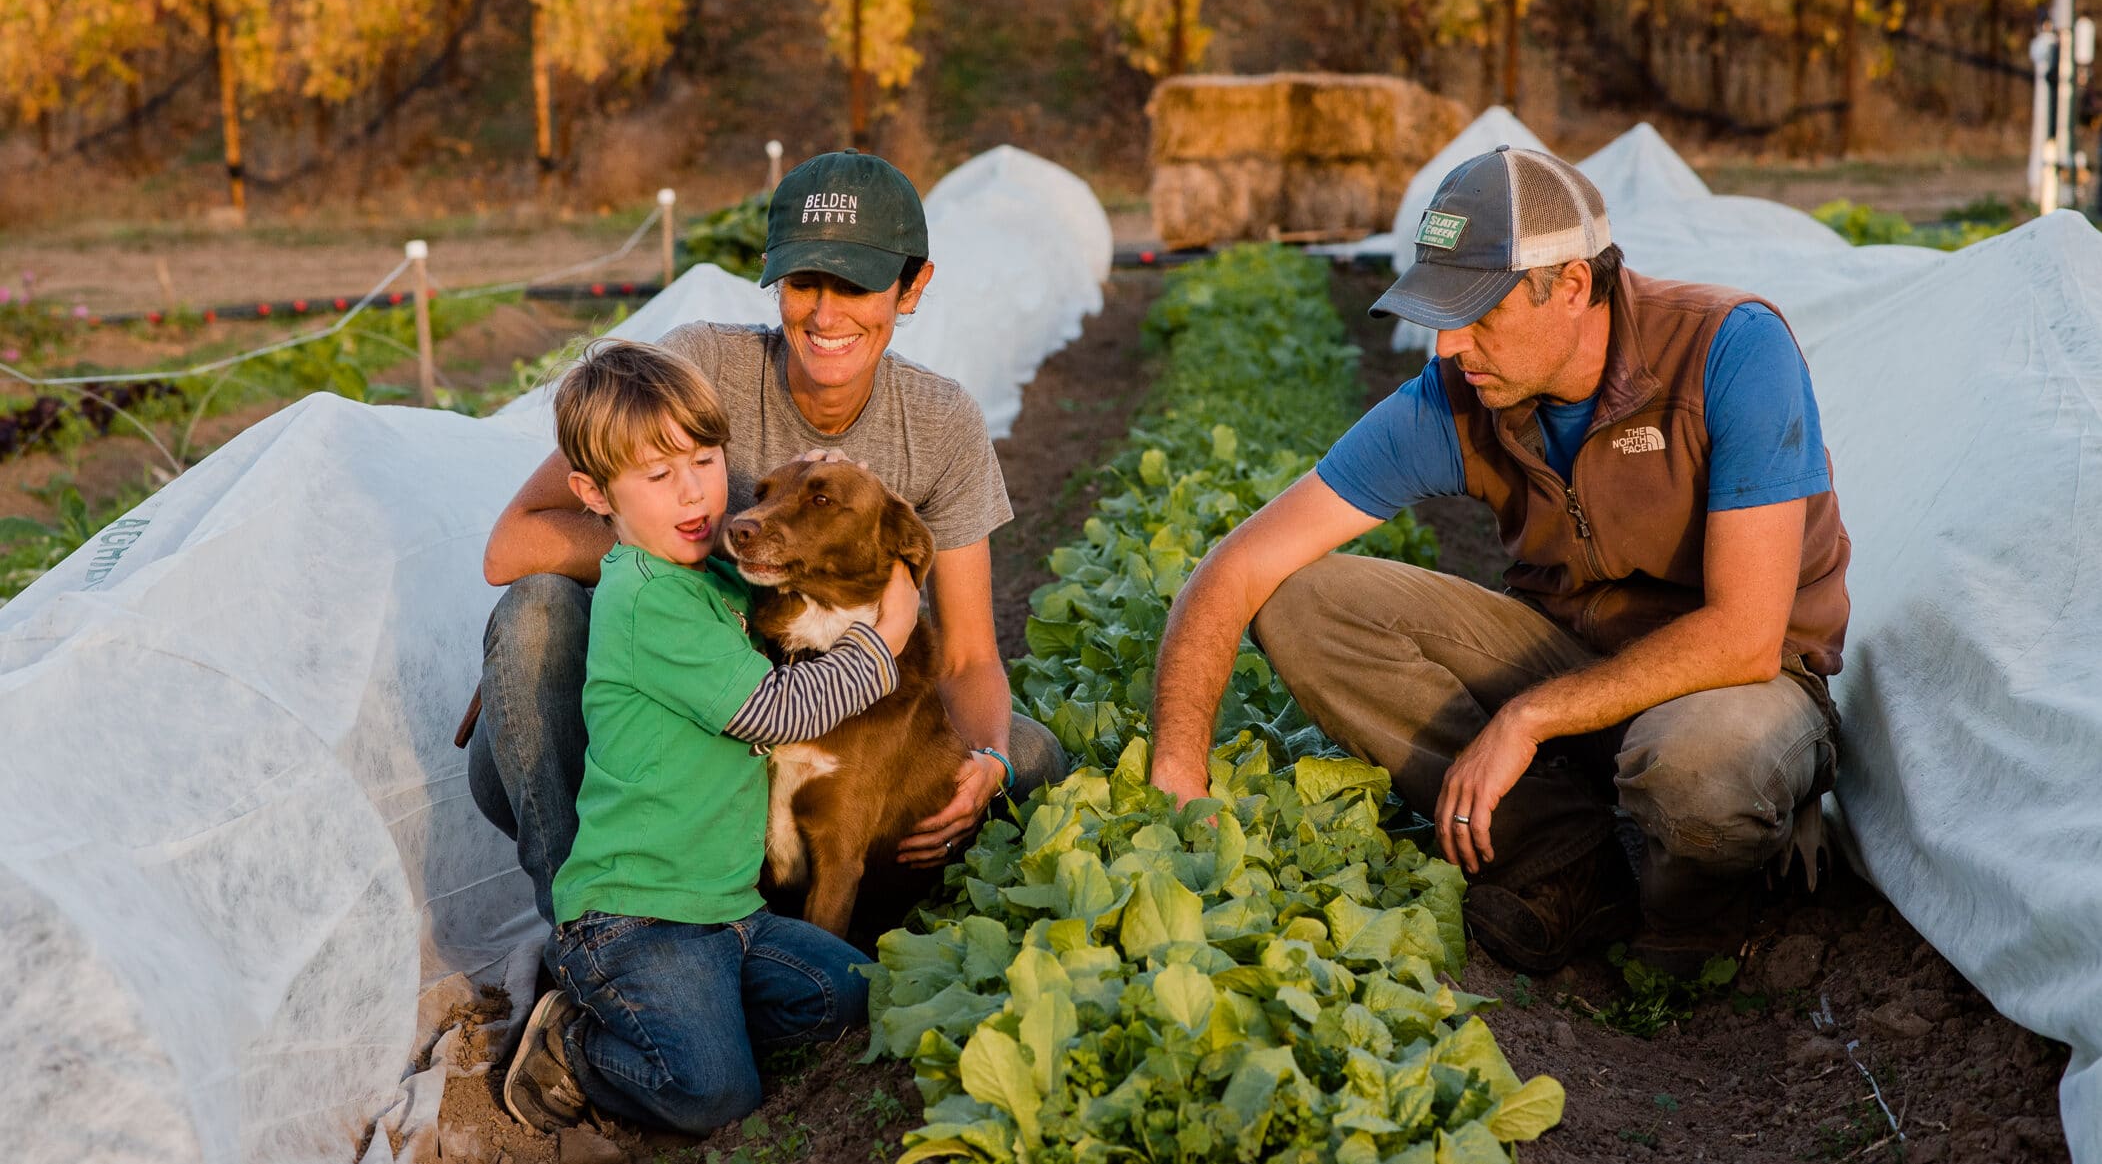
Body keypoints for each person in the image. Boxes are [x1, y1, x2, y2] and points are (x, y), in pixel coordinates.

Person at [1146, 146, 1849, 976]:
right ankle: (1568, 854)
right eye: (1440, 313)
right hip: (1576, 654)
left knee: (1697, 772)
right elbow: (1236, 568)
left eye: (1478, 314)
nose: (1448, 347)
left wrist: (1527, 719)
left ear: (1575, 287)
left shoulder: (1729, 352)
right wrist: (1178, 772)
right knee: (1301, 600)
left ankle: (1692, 920)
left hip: (1739, 683)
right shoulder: (1458, 395)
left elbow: (1745, 635)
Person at [468, 150, 1068, 932]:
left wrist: (985, 761)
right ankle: (587, 936)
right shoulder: (706, 365)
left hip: (835, 711)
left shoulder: (940, 422)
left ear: (912, 288)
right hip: (686, 704)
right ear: (774, 281)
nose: (825, 314)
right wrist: (736, 557)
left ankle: (832, 922)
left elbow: (966, 655)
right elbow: (512, 544)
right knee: (538, 609)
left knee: (1031, 755)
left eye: (855, 284)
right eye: (803, 283)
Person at [501, 339, 922, 1134]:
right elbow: (778, 712)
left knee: (855, 990)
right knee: (716, 1093)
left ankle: (690, 1020)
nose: (695, 492)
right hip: (641, 916)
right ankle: (579, 1043)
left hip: (731, 911)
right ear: (591, 492)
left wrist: (807, 503)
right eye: (660, 477)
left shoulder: (708, 572)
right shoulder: (646, 599)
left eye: (705, 459)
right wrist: (884, 643)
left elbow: (793, 557)